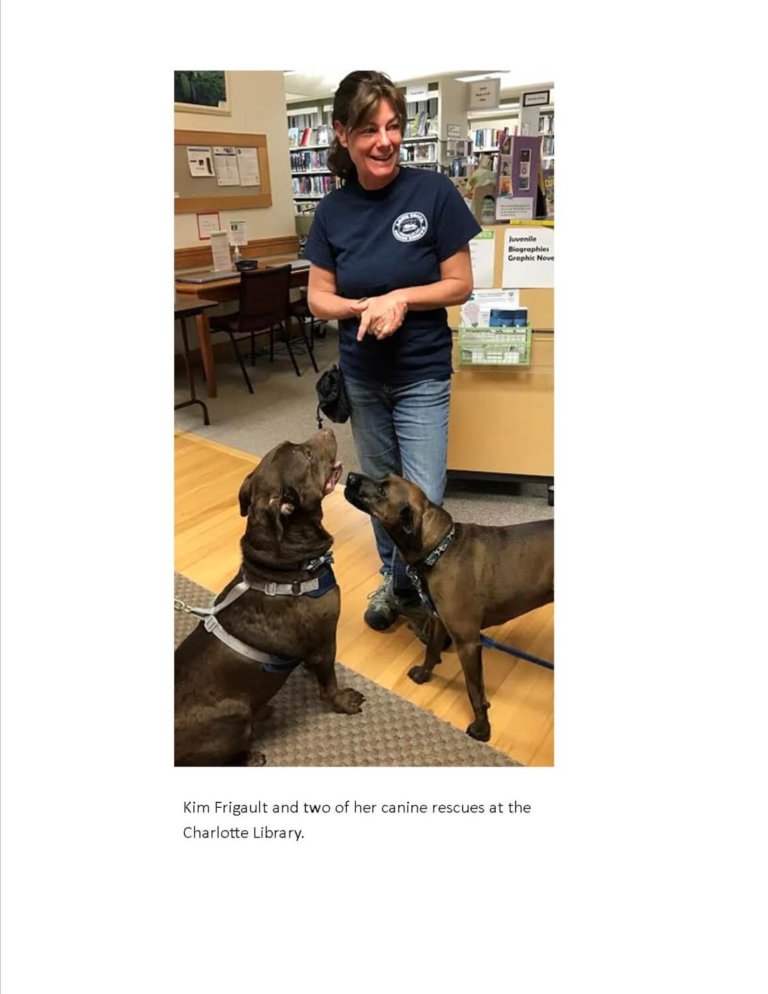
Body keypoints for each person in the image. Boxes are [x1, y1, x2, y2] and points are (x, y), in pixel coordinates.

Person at [304, 70, 482, 635]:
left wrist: (401, 296)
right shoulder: (332, 212)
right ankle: (396, 581)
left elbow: (460, 283)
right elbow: (317, 298)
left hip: (421, 373)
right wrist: (366, 308)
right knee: (379, 492)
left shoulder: (433, 193)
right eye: (369, 129)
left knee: (422, 496)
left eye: (394, 127)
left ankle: (436, 590)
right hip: (363, 378)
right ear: (342, 134)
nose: (385, 140)